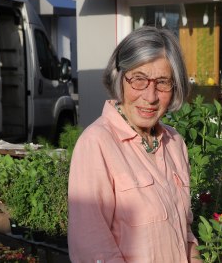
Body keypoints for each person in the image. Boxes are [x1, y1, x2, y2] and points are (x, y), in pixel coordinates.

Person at [68, 26, 202, 262]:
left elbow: (184, 231)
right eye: (139, 79)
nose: (150, 96)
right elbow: (92, 247)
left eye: (162, 82)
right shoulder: (96, 144)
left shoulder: (174, 143)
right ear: (119, 77)